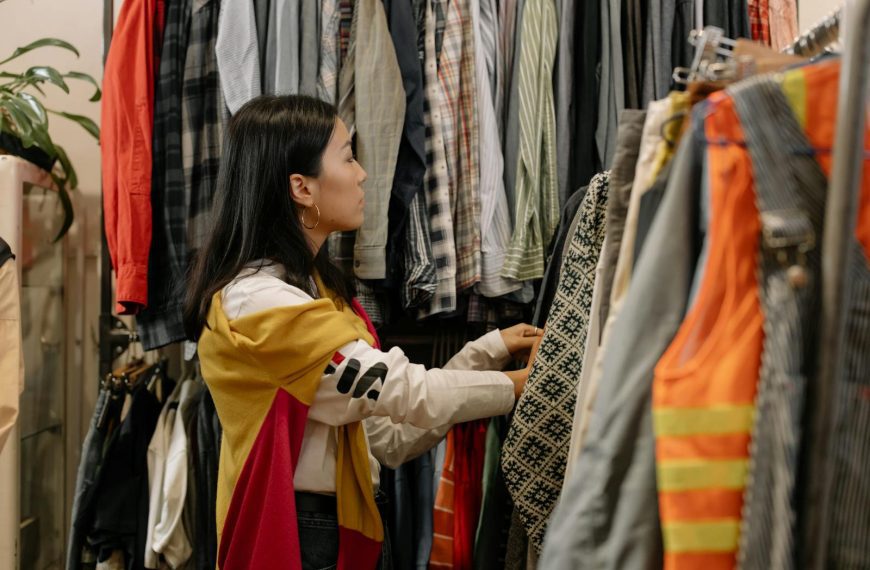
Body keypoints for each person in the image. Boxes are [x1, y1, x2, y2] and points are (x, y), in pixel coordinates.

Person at [184, 95, 543, 570]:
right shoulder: (259, 305)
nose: (362, 174)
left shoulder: (315, 295)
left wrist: (487, 352)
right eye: (348, 156)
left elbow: (390, 438)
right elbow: (406, 391)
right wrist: (518, 386)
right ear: (301, 187)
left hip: (339, 529)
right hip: (303, 540)